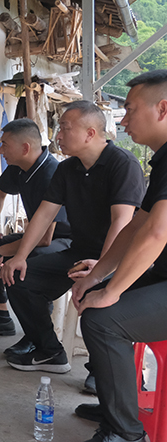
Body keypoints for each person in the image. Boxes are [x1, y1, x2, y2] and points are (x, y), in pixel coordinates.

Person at [0, 100, 145, 374]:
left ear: (90, 133)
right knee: (19, 277)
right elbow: (44, 214)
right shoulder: (67, 169)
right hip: (78, 253)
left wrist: (100, 270)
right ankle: (49, 351)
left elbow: (121, 222)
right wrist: (20, 256)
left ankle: (101, 371)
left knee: (98, 297)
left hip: (117, 259)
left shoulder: (122, 164)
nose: (58, 136)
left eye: (65, 128)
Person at [70, 70, 167, 442]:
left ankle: (126, 433)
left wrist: (111, 292)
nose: (123, 121)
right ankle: (117, 402)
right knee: (93, 295)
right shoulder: (162, 161)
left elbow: (157, 233)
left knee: (103, 318)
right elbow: (135, 227)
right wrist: (98, 277)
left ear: (162, 109)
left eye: (130, 109)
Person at [0, 119, 71, 338]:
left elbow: (44, 239)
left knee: (29, 264)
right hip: (37, 234)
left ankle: (36, 335)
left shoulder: (51, 173)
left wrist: (2, 251)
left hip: (62, 239)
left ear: (25, 148)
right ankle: (1, 318)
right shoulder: (19, 167)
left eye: (5, 144)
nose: (0, 150)